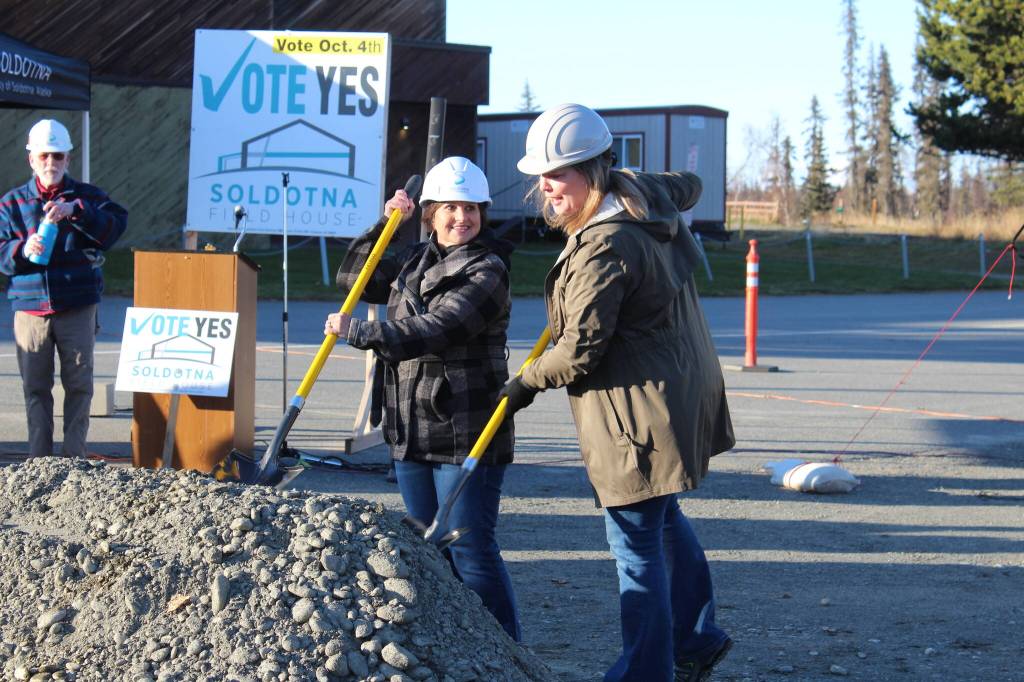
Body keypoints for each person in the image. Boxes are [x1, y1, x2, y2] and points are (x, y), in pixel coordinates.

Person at [500, 103, 735, 681]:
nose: (546, 188)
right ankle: (695, 636)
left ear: (594, 171)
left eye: (558, 175)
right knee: (663, 515)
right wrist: (639, 180)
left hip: (639, 409)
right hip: (672, 387)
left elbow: (579, 352)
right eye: (542, 176)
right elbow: (692, 183)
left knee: (635, 544)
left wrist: (522, 383)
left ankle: (645, 671)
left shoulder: (605, 245)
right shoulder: (645, 200)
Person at [325, 156, 521, 640]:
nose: (462, 217)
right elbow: (354, 279)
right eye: (451, 207)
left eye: (472, 207)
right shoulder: (413, 258)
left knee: (470, 548)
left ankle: (507, 653)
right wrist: (384, 228)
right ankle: (456, 648)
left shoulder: (488, 268)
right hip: (410, 426)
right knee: (427, 549)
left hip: (466, 427)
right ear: (430, 213)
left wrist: (363, 332)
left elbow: (440, 328)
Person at [0, 119, 127, 459]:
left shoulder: (88, 197)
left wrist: (77, 211)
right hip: (31, 310)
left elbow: (115, 227)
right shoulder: (12, 204)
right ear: (31, 159)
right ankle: (38, 461)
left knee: (79, 386)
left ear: (68, 159)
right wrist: (23, 250)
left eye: (58, 157)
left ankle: (75, 461)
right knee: (36, 389)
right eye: (44, 156)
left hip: (77, 306)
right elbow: (2, 256)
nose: (51, 164)